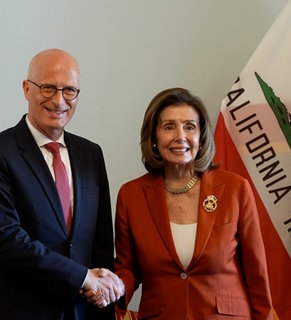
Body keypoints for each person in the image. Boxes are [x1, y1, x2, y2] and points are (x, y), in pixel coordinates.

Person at [0, 48, 123, 320]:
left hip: (80, 312)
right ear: (27, 89)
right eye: (48, 88)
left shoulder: (91, 154)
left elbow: (99, 242)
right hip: (16, 312)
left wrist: (102, 296)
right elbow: (5, 241)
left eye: (69, 90)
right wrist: (82, 277)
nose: (59, 100)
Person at [114, 88, 273, 319]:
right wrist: (112, 289)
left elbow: (257, 274)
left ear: (201, 137)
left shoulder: (235, 189)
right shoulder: (131, 195)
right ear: (154, 138)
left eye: (190, 126)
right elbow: (127, 268)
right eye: (169, 127)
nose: (180, 136)